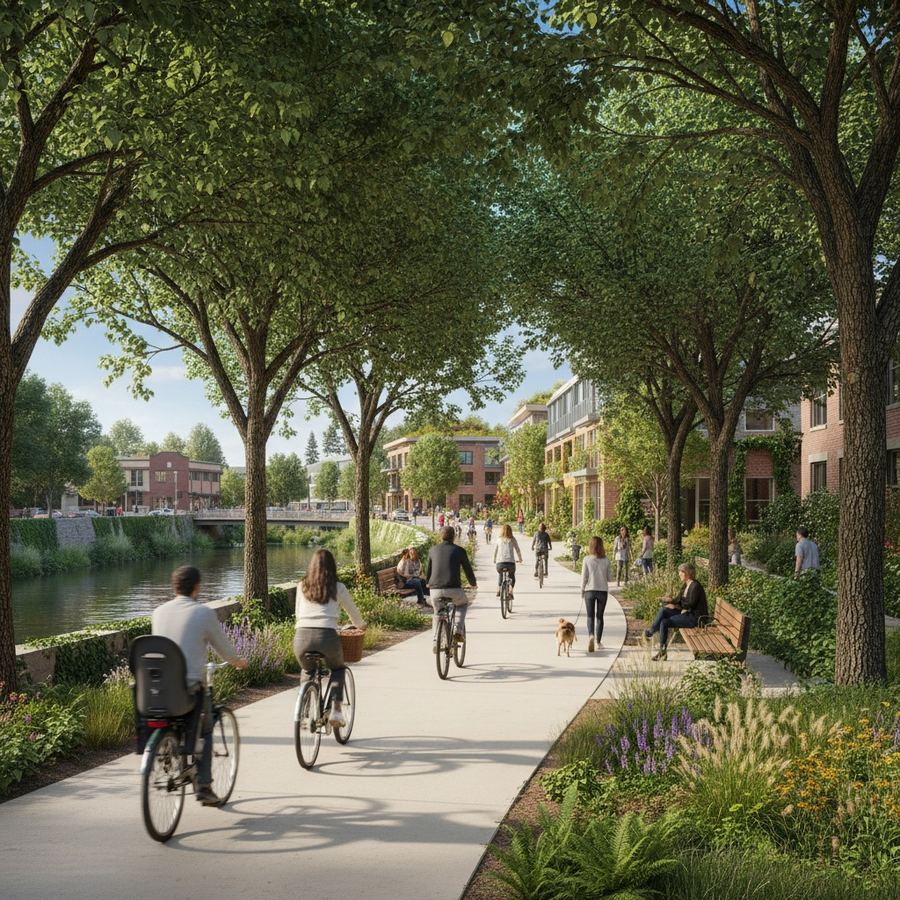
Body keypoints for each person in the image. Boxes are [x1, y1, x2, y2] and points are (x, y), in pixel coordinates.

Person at [152, 565, 249, 806]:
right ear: (197, 587)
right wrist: (239, 662)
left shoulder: (158, 612)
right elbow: (225, 651)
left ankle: (167, 748)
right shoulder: (203, 614)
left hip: (156, 690)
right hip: (188, 690)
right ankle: (204, 785)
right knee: (205, 728)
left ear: (174, 586)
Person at [295, 548, 365, 728]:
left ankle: (304, 712)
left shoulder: (301, 586)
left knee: (307, 671)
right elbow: (353, 612)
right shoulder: (338, 587)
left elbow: (297, 614)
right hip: (327, 636)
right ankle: (336, 710)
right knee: (338, 669)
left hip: (301, 637)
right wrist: (360, 625)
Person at [644, 562, 708, 661]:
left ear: (687, 573)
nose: (679, 574)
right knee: (664, 610)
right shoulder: (686, 585)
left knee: (664, 622)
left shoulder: (695, 586)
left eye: (681, 572)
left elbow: (691, 603)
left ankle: (662, 652)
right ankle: (652, 632)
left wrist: (675, 607)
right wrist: (670, 600)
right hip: (686, 612)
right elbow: (679, 599)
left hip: (694, 617)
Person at [426, 525, 478, 647]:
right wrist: (473, 584)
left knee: (437, 612)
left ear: (441, 536)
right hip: (454, 589)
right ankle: (458, 631)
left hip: (435, 590)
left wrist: (428, 583)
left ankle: (435, 641)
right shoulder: (459, 550)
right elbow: (468, 570)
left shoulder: (433, 550)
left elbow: (429, 572)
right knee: (463, 603)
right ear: (454, 536)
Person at [581, 536, 612, 652]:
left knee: (590, 616)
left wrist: (582, 590)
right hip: (602, 591)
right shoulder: (606, 560)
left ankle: (591, 636)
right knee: (599, 616)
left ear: (591, 546)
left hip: (589, 590)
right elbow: (609, 578)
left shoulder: (586, 559)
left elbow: (584, 577)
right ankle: (598, 642)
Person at [493, 523, 523, 599]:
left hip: (500, 564)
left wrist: (494, 560)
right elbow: (517, 550)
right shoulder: (512, 539)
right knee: (512, 577)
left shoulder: (499, 539)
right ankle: (510, 592)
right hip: (510, 564)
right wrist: (520, 559)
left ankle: (499, 590)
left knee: (500, 574)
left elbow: (495, 551)